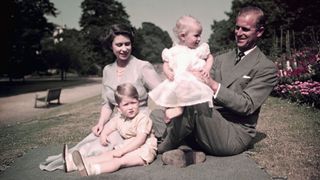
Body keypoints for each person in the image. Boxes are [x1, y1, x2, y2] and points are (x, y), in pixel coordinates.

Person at [151, 6, 279, 166]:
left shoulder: (265, 67)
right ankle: (189, 151)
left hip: (232, 132)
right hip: (206, 119)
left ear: (259, 32)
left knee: (193, 102)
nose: (239, 33)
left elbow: (247, 105)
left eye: (245, 29)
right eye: (237, 27)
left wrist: (211, 84)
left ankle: (166, 145)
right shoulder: (222, 58)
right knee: (157, 113)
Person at [39, 24, 162, 171]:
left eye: (127, 44)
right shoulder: (107, 70)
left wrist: (169, 114)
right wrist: (101, 123)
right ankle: (72, 162)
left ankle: (82, 164)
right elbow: (107, 104)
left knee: (104, 145)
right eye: (119, 44)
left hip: (137, 123)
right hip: (118, 121)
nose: (124, 48)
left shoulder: (142, 66)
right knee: (94, 139)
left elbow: (163, 93)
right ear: (111, 46)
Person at [64, 83, 157, 176]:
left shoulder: (143, 118)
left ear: (138, 102)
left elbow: (140, 140)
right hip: (128, 147)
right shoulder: (120, 118)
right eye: (126, 104)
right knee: (109, 154)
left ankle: (93, 170)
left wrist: (122, 151)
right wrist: (103, 135)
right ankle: (73, 164)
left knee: (119, 161)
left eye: (133, 103)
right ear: (119, 108)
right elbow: (109, 126)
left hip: (143, 151)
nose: (130, 107)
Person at [148, 15, 214, 124]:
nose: (199, 39)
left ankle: (180, 110)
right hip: (178, 79)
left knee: (191, 99)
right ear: (183, 36)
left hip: (194, 80)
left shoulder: (199, 50)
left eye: (200, 35)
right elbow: (166, 63)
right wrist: (168, 72)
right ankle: (172, 112)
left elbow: (210, 57)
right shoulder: (174, 51)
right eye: (196, 35)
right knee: (172, 95)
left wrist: (207, 68)